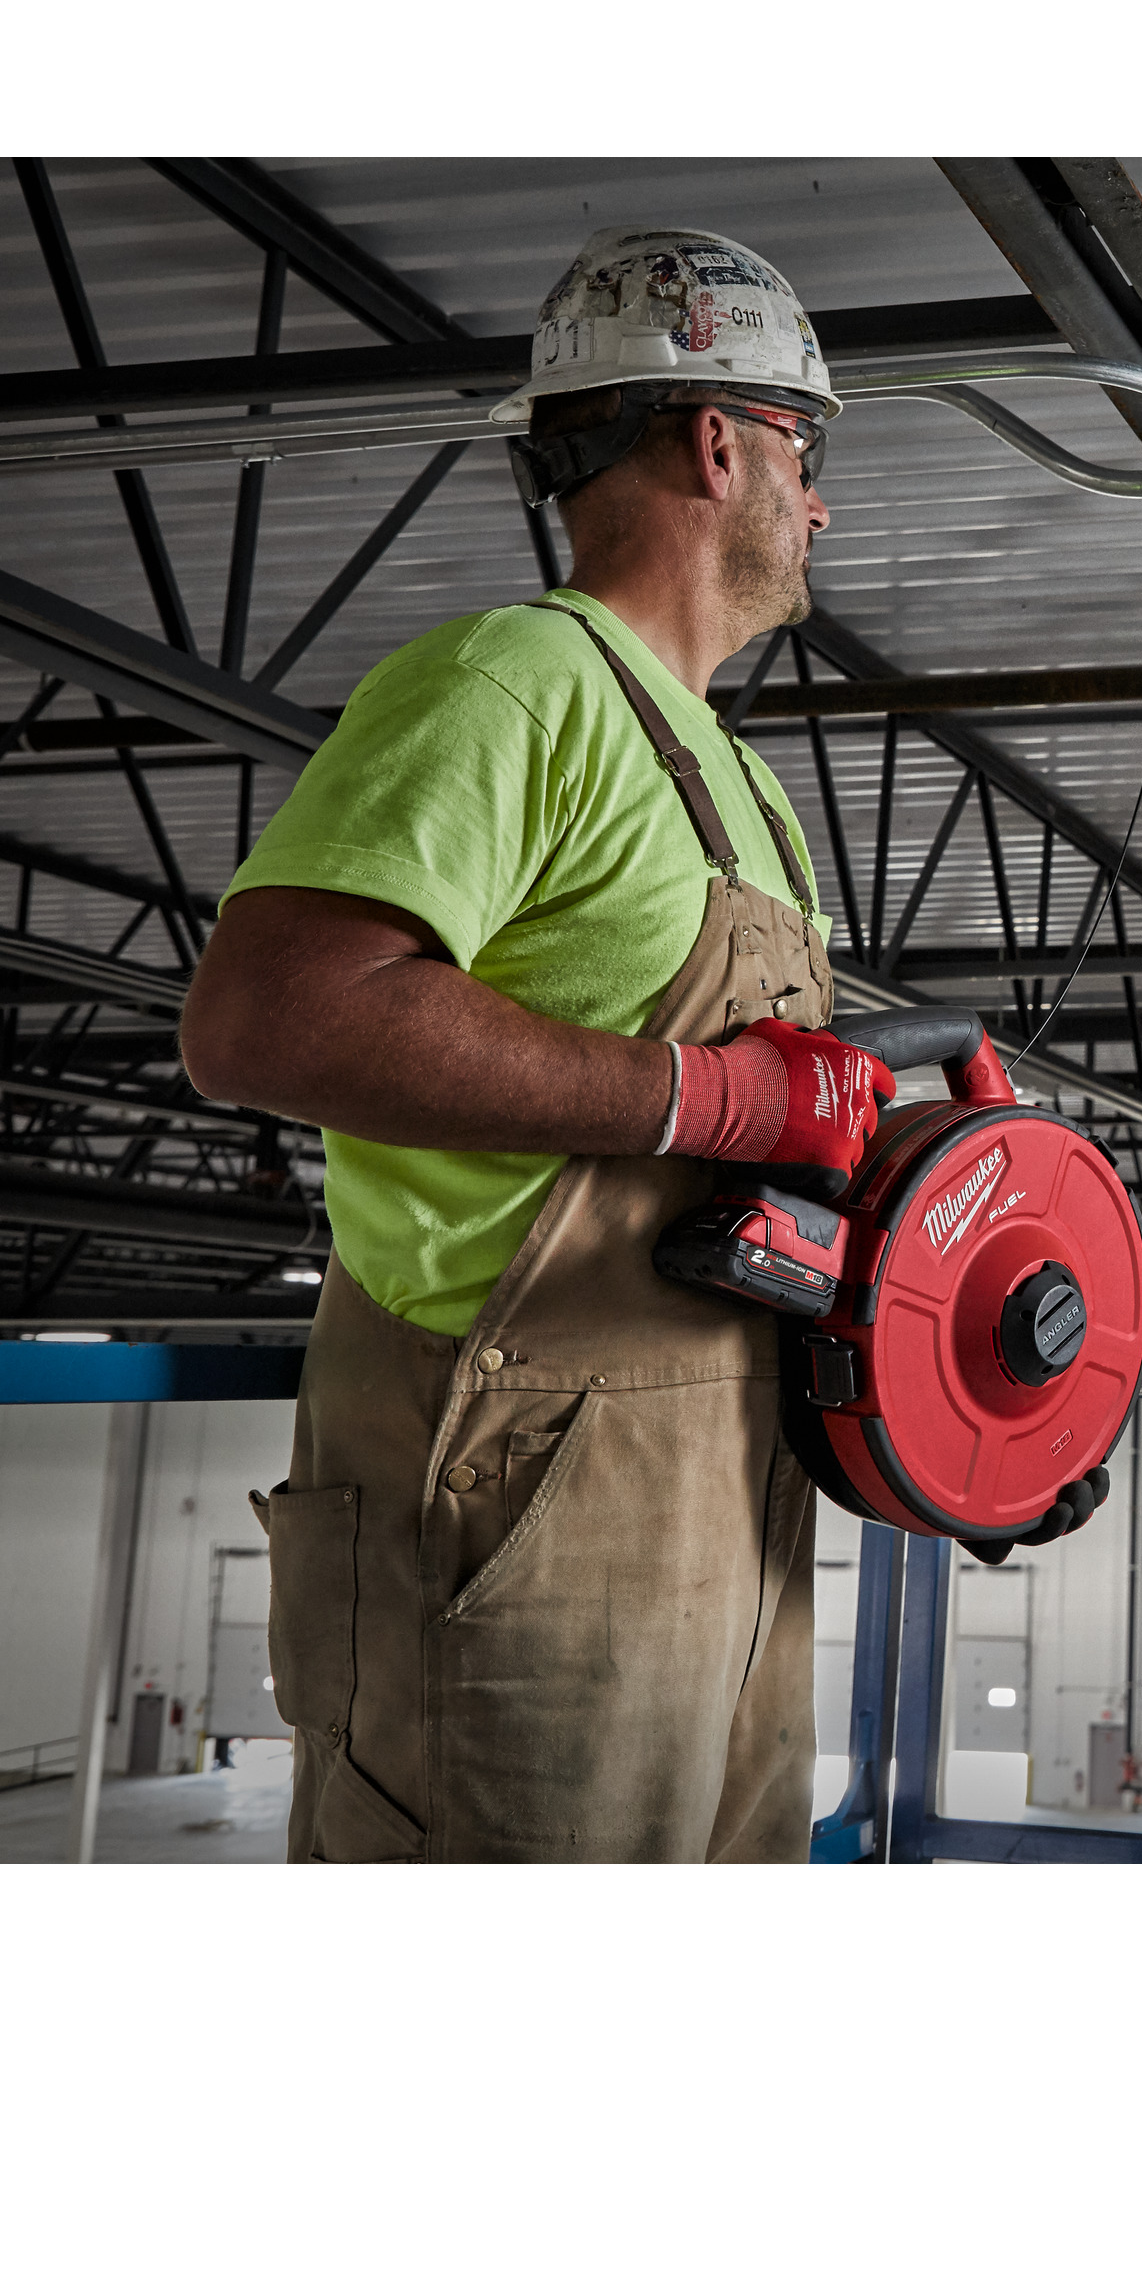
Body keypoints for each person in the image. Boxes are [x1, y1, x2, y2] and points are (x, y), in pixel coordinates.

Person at [182, 227, 894, 1864]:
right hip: (511, 1509)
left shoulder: (742, 783)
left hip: (733, 1504)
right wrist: (708, 1094)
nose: (823, 504)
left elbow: (775, 1152)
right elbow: (268, 1014)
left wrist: (941, 1374)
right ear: (716, 443)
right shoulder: (514, 681)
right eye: (806, 453)